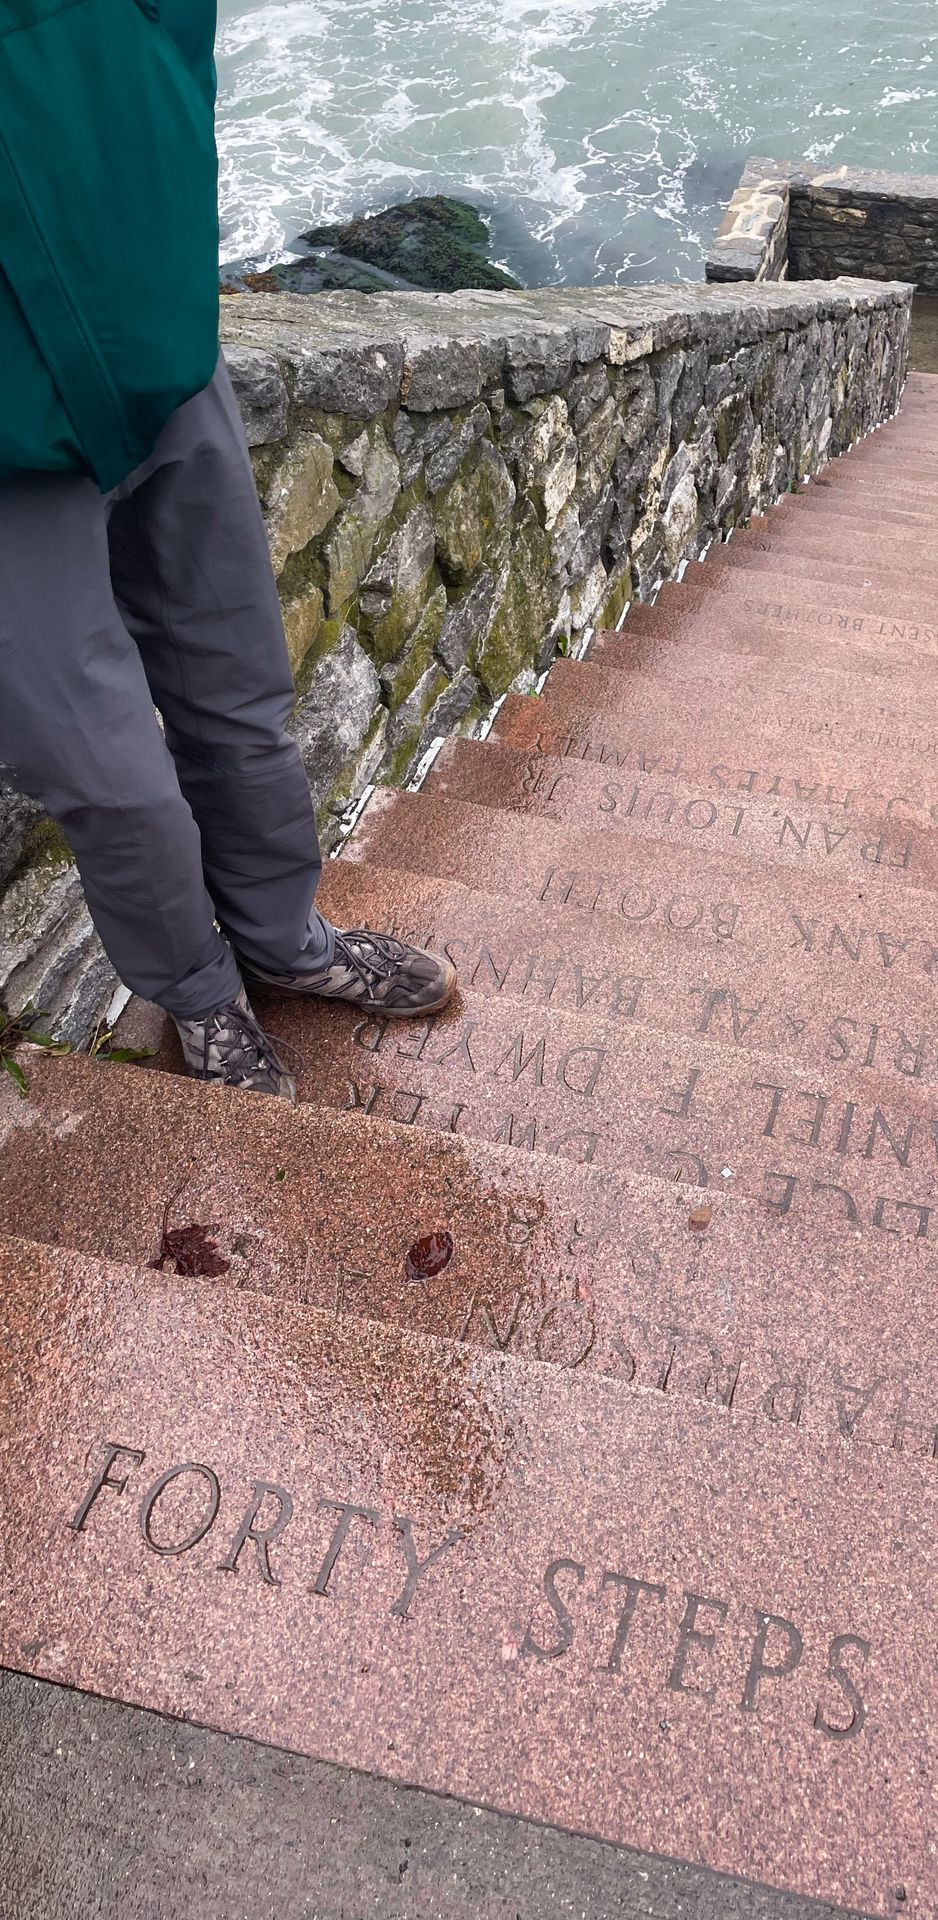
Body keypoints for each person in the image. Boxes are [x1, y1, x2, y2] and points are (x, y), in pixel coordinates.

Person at [0, 0, 453, 1102]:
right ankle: (200, 1000)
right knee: (111, 781)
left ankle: (287, 942)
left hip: (156, 335)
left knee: (238, 689)